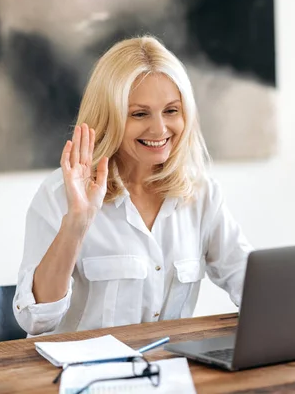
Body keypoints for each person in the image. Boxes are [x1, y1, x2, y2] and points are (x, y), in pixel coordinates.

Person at [13, 35, 252, 336]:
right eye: (140, 114)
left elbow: (251, 283)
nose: (160, 129)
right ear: (109, 117)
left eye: (171, 111)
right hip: (83, 376)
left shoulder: (201, 193)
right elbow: (35, 319)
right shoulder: (59, 194)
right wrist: (78, 221)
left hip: (169, 373)